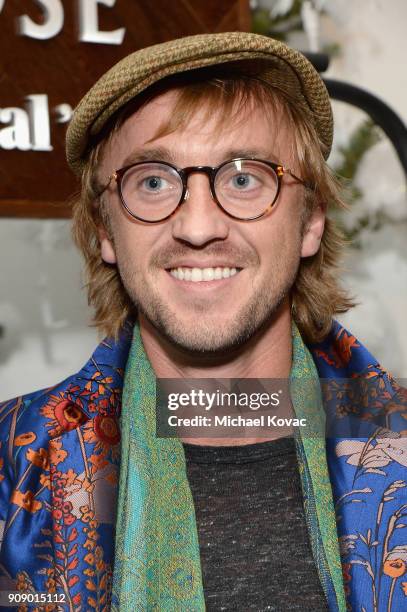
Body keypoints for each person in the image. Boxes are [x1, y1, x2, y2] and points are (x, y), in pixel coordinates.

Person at [0, 32, 406, 612]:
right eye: (153, 181)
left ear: (310, 221)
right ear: (104, 231)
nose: (197, 227)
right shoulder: (13, 473)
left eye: (244, 178)